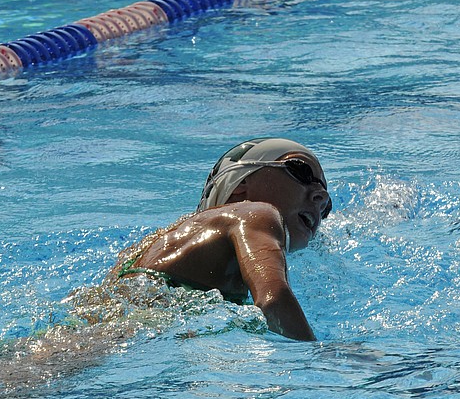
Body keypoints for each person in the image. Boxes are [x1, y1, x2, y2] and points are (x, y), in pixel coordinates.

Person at [111, 138, 332, 341]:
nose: (322, 197)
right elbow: (273, 301)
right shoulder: (257, 213)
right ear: (239, 184)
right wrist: (321, 359)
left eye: (327, 209)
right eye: (300, 171)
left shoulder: (155, 243)